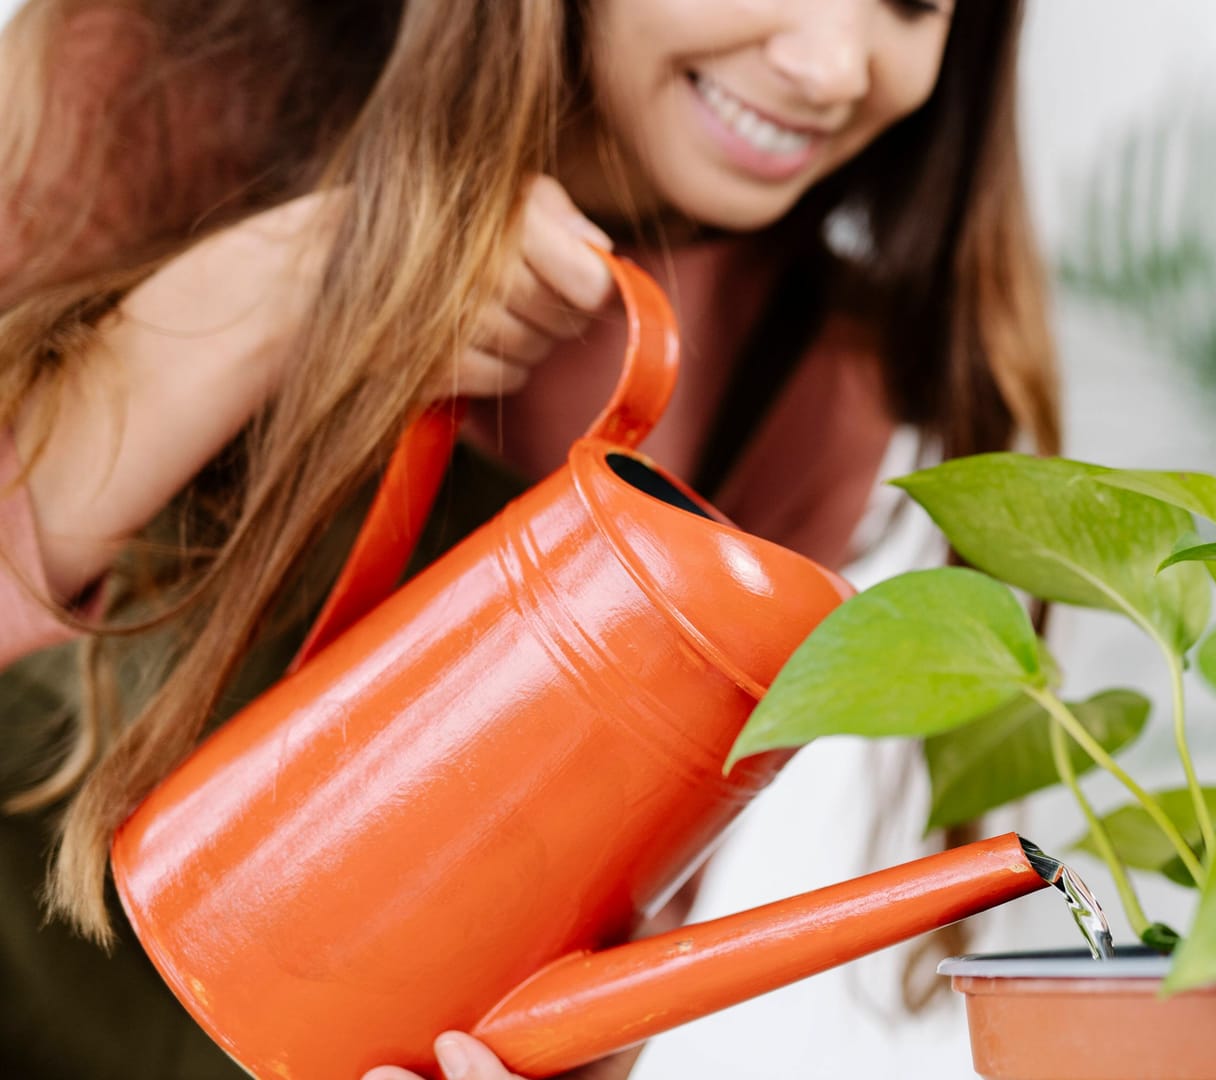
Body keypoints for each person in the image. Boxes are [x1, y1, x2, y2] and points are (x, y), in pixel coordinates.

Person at [0, 1, 1061, 1077]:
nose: (831, 66)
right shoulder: (170, 59)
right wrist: (320, 272)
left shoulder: (806, 384)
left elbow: (594, 954)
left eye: (916, 1)